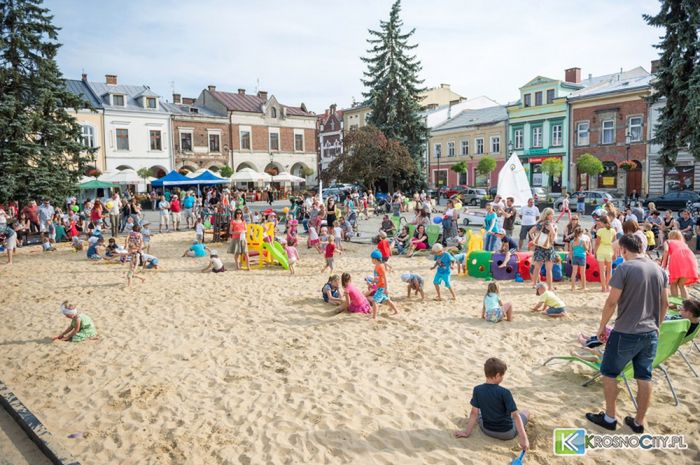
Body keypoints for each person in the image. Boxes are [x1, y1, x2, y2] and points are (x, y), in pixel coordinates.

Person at [586, 234, 668, 433]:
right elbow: (664, 303)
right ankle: (639, 422)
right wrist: (657, 325)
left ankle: (609, 417)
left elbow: (611, 302)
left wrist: (601, 327)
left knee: (609, 372)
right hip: (650, 332)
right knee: (644, 376)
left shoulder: (624, 268)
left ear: (623, 249)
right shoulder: (659, 269)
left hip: (626, 331)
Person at [454, 358, 529, 451]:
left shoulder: (477, 389)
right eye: (502, 375)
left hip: (487, 430)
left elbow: (474, 413)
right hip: (506, 433)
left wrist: (466, 433)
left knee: (479, 410)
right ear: (497, 375)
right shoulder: (505, 392)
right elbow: (516, 415)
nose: (502, 378)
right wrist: (524, 438)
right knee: (525, 412)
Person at [661, 230, 699, 299]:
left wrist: (664, 264)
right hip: (690, 260)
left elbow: (666, 251)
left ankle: (675, 304)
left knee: (673, 283)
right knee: (682, 284)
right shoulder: (683, 243)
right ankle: (686, 304)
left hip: (677, 260)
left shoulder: (668, 241)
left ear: (670, 236)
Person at [529, 208, 557, 290]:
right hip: (548, 247)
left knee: (537, 267)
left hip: (539, 247)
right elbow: (553, 233)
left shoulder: (540, 223)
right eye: (552, 214)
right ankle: (550, 287)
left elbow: (530, 232)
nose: (553, 216)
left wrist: (535, 240)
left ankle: (534, 284)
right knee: (549, 269)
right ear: (548, 215)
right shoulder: (549, 223)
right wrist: (551, 240)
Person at [370, 250, 398, 319]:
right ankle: (396, 311)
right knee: (387, 300)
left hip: (382, 287)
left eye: (372, 259)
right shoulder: (377, 266)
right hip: (380, 285)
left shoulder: (380, 266)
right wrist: (372, 282)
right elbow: (377, 277)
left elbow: (385, 278)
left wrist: (386, 289)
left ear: (375, 259)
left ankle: (374, 317)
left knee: (374, 301)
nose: (371, 260)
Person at [594, 216, 615, 293]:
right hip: (609, 250)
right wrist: (615, 253)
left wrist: (595, 252)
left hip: (601, 251)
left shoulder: (600, 231)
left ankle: (603, 288)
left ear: (602, 222)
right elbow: (614, 243)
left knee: (602, 270)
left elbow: (597, 243)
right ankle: (608, 286)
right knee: (609, 270)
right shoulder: (613, 230)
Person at [570, 226, 589, 291]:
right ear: (581, 233)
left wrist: (571, 259)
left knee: (574, 273)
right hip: (582, 257)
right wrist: (586, 245)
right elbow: (586, 249)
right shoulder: (582, 241)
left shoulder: (572, 242)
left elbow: (571, 252)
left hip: (575, 257)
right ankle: (583, 287)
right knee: (582, 273)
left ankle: (573, 287)